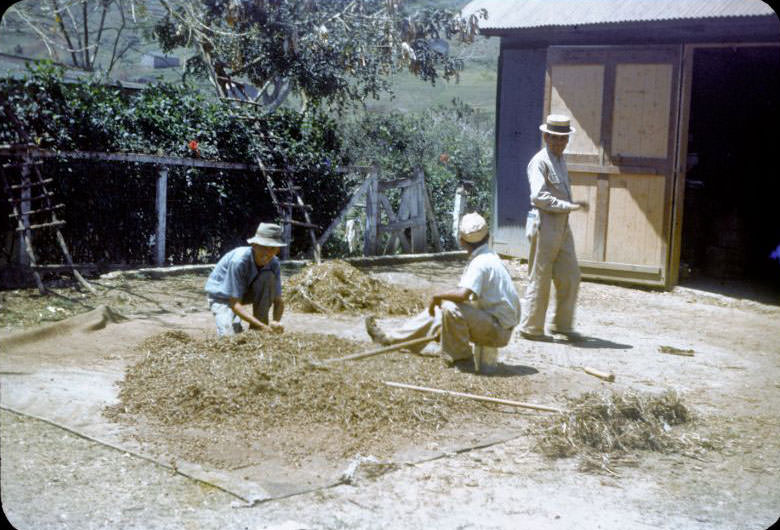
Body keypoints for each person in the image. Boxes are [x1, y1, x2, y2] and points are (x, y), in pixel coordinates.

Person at [365, 212, 521, 367]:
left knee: (450, 307)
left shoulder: (480, 263)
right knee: (442, 310)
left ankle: (462, 359)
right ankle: (391, 340)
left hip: (498, 331)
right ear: (488, 237)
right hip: (499, 325)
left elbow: (463, 294)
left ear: (462, 241)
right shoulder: (490, 257)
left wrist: (437, 297)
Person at [519, 114, 588, 341]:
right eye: (555, 138)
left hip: (561, 225)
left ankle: (562, 325)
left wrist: (568, 208)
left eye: (563, 138)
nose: (560, 142)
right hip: (544, 223)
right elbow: (539, 197)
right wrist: (568, 205)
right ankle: (531, 328)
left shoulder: (559, 159)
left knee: (570, 275)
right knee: (540, 276)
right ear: (546, 136)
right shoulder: (539, 161)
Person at [205, 222, 286, 337]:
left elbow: (278, 301)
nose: (267, 253)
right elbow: (234, 304)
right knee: (230, 337)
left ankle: (258, 331)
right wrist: (263, 327)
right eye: (263, 247)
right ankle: (259, 327)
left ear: (277, 250)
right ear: (254, 245)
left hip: (244, 292)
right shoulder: (239, 261)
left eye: (272, 248)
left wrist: (276, 323)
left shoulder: (274, 263)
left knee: (267, 277)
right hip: (223, 297)